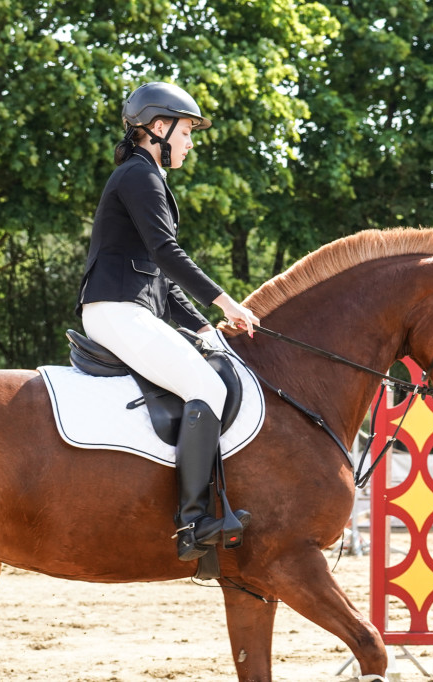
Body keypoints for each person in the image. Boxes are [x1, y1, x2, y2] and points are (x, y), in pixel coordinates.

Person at [76, 82, 260, 563]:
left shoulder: (145, 176)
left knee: (209, 369)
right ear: (158, 128)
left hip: (128, 307)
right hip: (116, 309)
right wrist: (225, 301)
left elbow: (160, 276)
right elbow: (166, 254)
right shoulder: (140, 176)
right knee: (210, 389)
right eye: (186, 131)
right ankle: (194, 522)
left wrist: (204, 327)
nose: (191, 141)